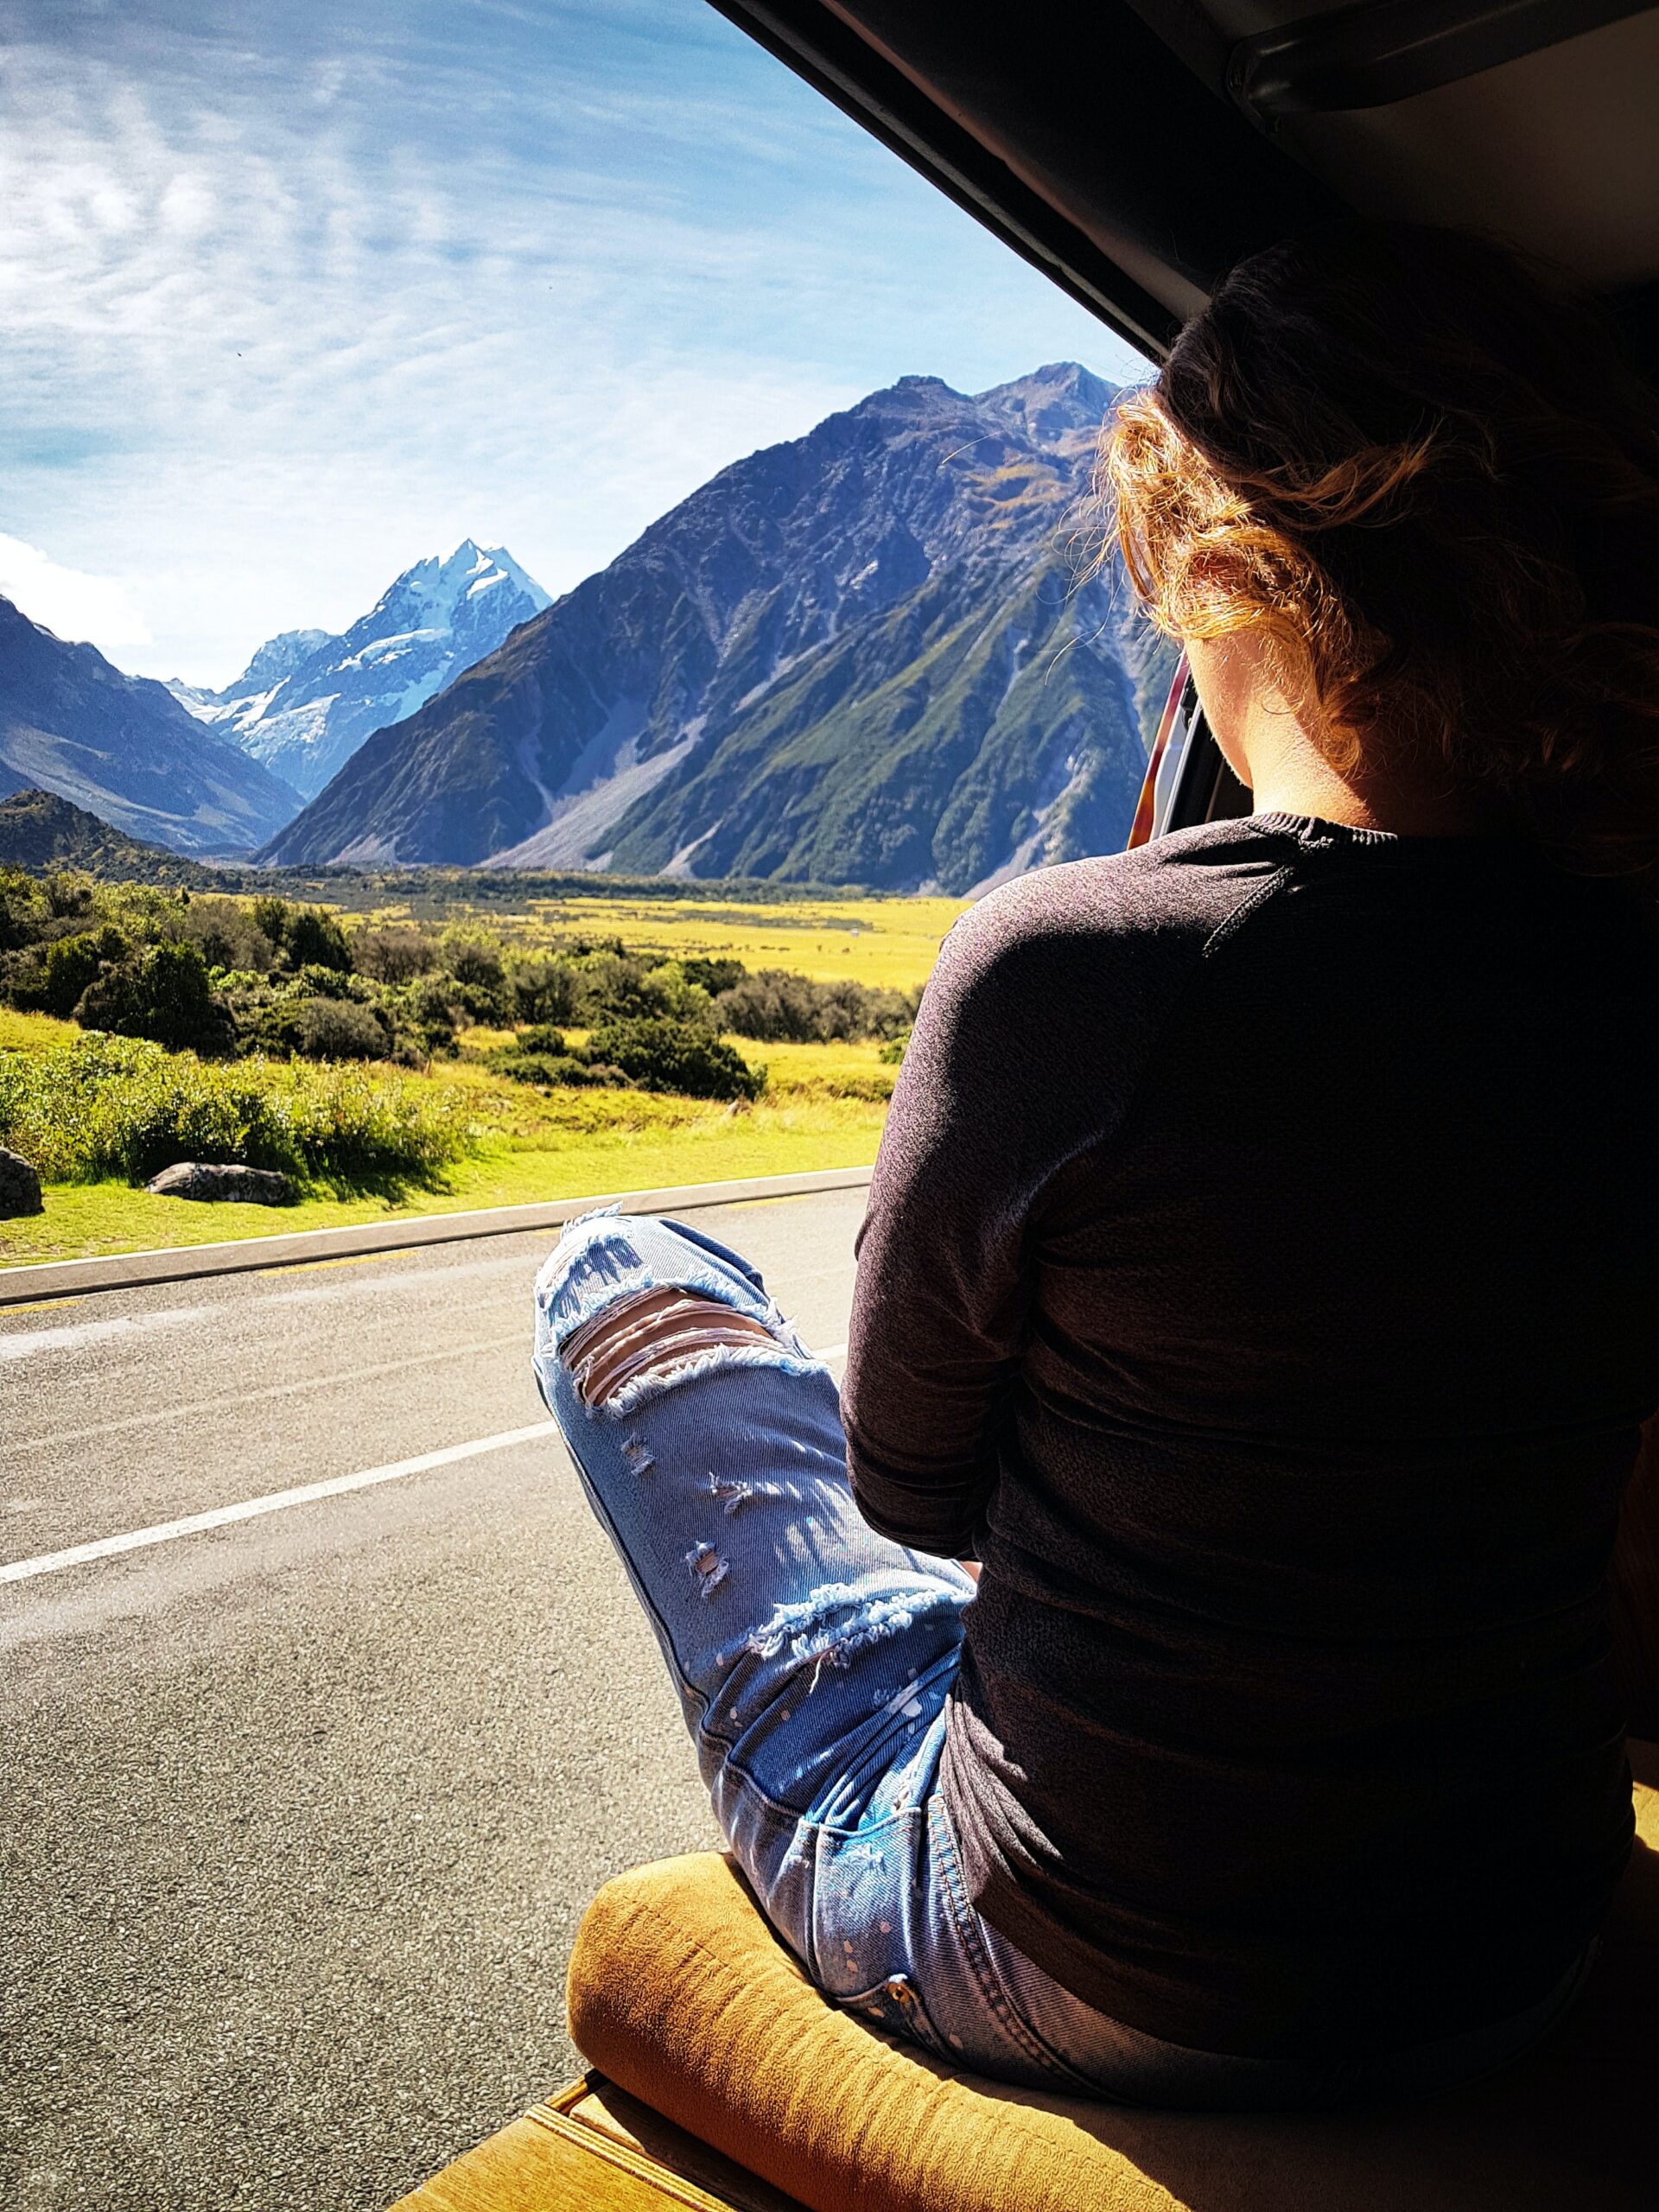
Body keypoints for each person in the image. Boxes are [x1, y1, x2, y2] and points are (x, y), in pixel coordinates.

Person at [532, 223, 1659, 2109]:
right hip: (1512, 1942)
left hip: (1088, 1955)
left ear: (1236, 576)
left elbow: (904, 1478)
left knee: (614, 1272)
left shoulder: (1068, 970)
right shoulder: (1628, 977)